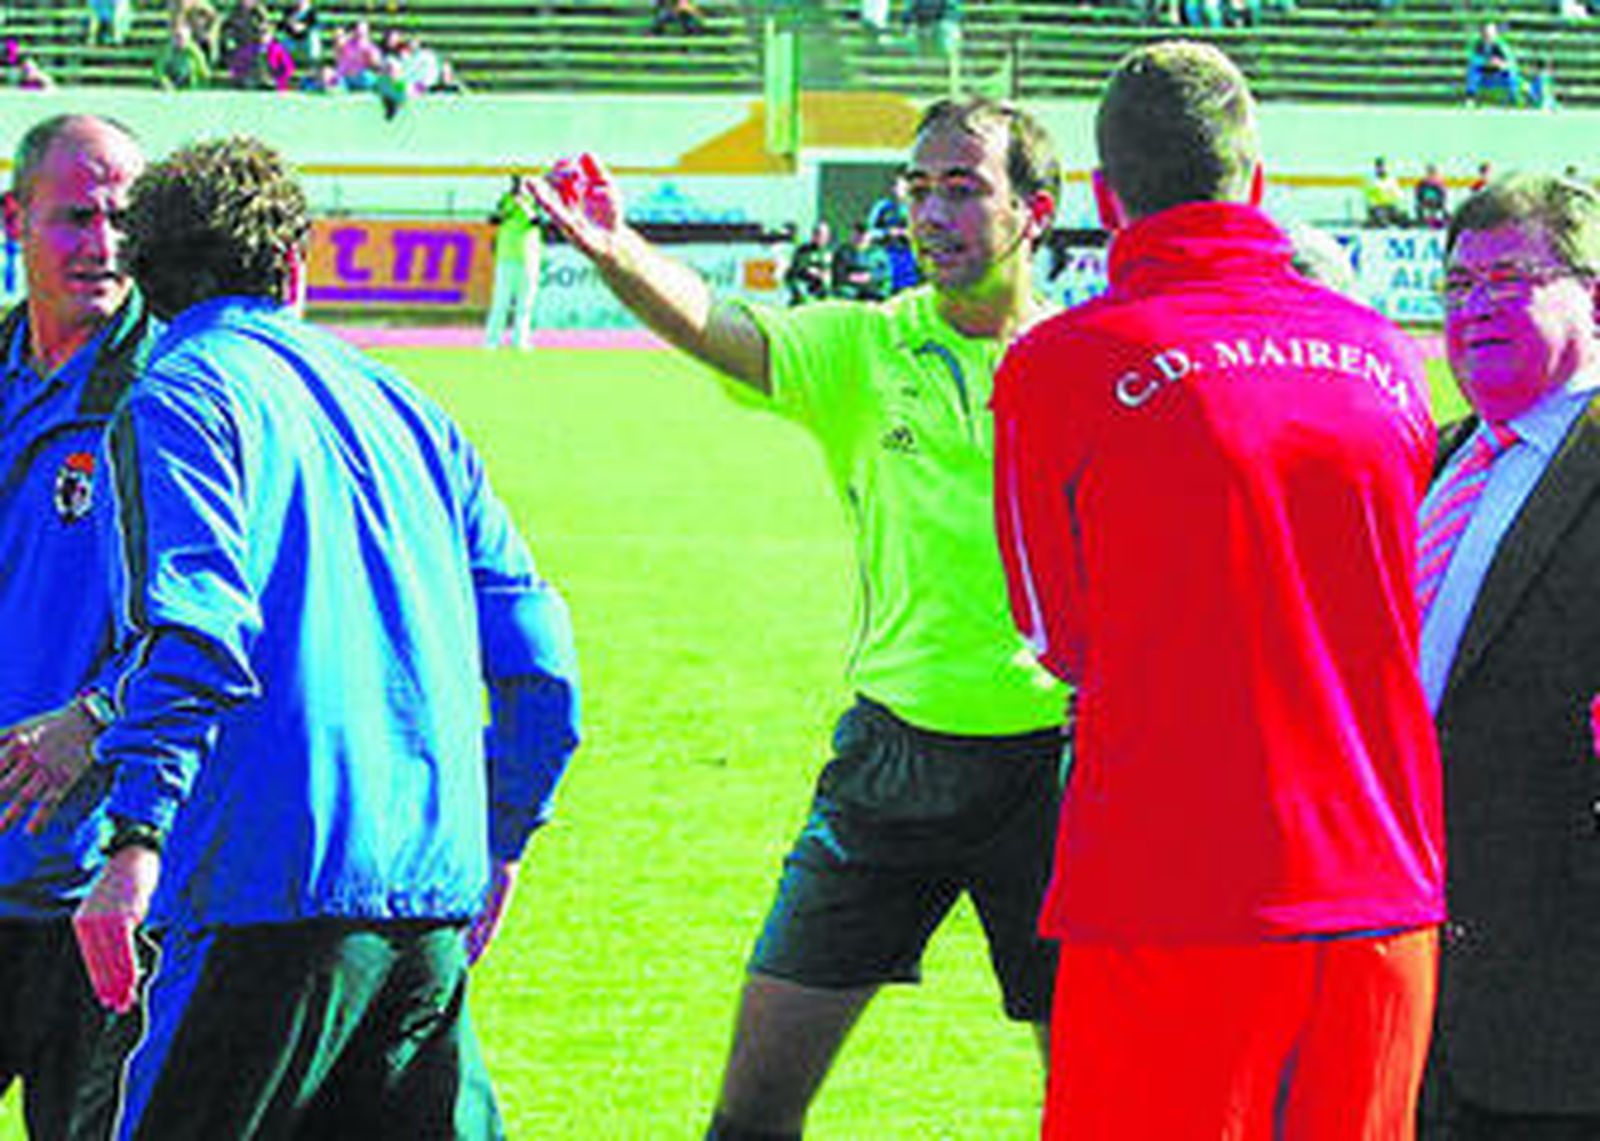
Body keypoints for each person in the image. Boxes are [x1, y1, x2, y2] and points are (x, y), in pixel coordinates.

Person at [6, 135, 580, 1139]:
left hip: (259, 892)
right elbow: (539, 654)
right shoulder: (409, 407)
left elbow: (193, 634)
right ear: (297, 265)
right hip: (424, 904)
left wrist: (137, 834)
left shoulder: (177, 399)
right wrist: (504, 833)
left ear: (148, 269)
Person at [531, 97, 1066, 1141]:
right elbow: (716, 327)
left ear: (1032, 211)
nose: (930, 211)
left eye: (963, 187)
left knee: (1106, 1106)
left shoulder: (1081, 364)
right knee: (752, 1114)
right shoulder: (863, 348)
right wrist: (616, 247)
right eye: (917, 188)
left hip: (1054, 777)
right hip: (888, 768)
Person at [993, 40, 1444, 1140]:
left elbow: (1055, 634)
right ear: (1255, 179)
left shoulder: (1058, 365)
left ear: (1105, 197)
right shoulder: (1385, 355)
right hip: (1384, 890)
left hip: (1171, 885)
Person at [1416, 174, 1600, 1138]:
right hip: (1420, 984)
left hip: (1567, 1007)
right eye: (1457, 286)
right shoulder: (1435, 461)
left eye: (1509, 279)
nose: (1475, 307)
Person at [0, 114, 157, 1141]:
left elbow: (237, 632)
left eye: (122, 217)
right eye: (75, 217)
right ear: (14, 219)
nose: (102, 242)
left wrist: (96, 713)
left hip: (101, 890)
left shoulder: (176, 391)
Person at [483, 174, 543, 350]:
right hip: (507, 257)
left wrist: (524, 205)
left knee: (525, 304)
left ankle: (520, 341)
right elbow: (493, 220)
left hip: (529, 258)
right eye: (516, 183)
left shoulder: (535, 203)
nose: (518, 187)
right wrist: (508, 208)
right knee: (501, 302)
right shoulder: (505, 200)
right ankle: (491, 341)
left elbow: (537, 222)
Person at [1466, 22, 1524, 106]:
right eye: (1486, 33)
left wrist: (1501, 63)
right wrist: (1487, 61)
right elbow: (1472, 59)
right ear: (1482, 34)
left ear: (1495, 34)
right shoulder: (1477, 44)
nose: (1488, 36)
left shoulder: (1501, 45)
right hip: (1485, 72)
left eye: (1491, 33)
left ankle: (1515, 97)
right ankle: (1470, 98)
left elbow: (1511, 63)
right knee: (1473, 70)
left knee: (1511, 73)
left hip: (1498, 73)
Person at [781, 221, 835, 306]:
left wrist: (826, 274)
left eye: (823, 234)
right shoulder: (804, 250)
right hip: (804, 282)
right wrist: (811, 270)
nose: (820, 237)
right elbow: (796, 269)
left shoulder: (830, 251)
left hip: (822, 285)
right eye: (817, 233)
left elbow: (833, 268)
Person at [152, 21, 211, 90]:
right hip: (171, 75)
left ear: (187, 38)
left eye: (182, 38)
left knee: (185, 75)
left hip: (185, 77)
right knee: (156, 81)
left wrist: (204, 73)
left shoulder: (193, 49)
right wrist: (165, 81)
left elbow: (201, 63)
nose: (180, 40)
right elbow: (159, 69)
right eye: (177, 37)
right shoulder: (167, 49)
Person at [1366, 156, 1409, 227]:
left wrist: (1402, 199)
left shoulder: (1391, 180)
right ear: (1375, 168)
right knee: (1382, 219)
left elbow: (1399, 194)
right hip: (1378, 207)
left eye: (1381, 166)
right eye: (1378, 167)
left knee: (1402, 218)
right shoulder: (1371, 181)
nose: (1380, 169)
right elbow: (1369, 198)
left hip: (1390, 206)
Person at [1416, 162, 1450, 228]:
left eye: (1431, 172)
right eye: (1429, 172)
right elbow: (1418, 192)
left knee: (1436, 205)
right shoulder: (1423, 182)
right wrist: (1421, 198)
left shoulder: (1439, 181)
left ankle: (1441, 218)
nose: (1430, 174)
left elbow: (1443, 193)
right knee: (1419, 207)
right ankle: (1422, 220)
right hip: (1426, 200)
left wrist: (1440, 199)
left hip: (1437, 201)